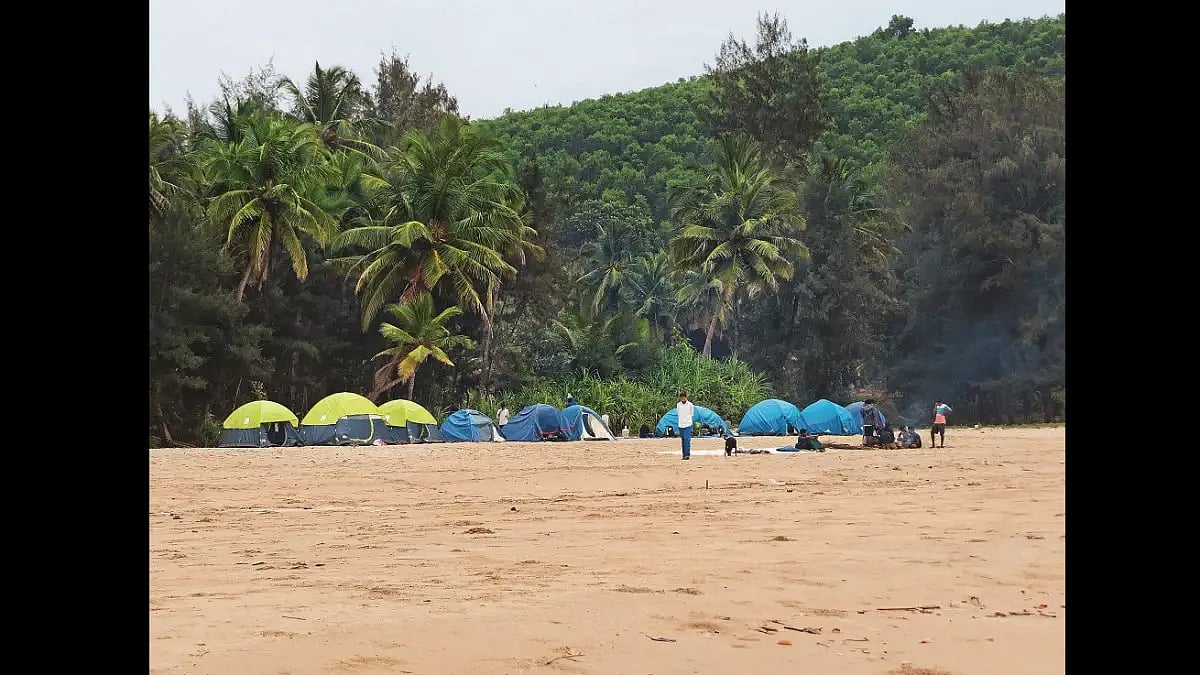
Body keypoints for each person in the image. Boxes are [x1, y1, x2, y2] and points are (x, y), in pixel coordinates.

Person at [676, 391, 695, 460]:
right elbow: (678, 414)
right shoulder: (678, 405)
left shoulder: (690, 405)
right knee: (683, 440)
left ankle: (687, 455)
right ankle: (684, 454)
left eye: (684, 397)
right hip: (681, 424)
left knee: (687, 439)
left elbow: (691, 414)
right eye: (681, 398)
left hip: (688, 424)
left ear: (686, 397)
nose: (682, 399)